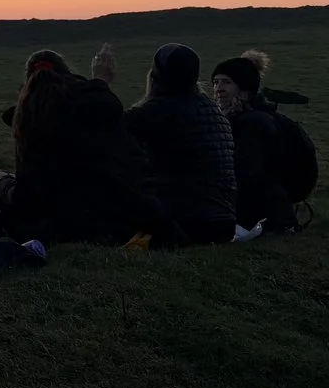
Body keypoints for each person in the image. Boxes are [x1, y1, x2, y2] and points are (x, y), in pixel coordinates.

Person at [0, 47, 171, 245]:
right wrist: (100, 82)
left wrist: (2, 184)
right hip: (113, 221)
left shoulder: (32, 125)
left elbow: (28, 197)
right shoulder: (97, 110)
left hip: (60, 229)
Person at [123, 43, 238, 246]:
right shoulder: (212, 109)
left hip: (183, 222)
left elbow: (109, 130)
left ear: (157, 77)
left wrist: (100, 81)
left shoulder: (161, 109)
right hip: (224, 222)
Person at [211, 51, 312, 233]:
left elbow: (247, 177)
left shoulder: (252, 124)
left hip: (263, 213)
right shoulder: (253, 117)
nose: (219, 89)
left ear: (244, 89)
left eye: (227, 82)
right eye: (216, 82)